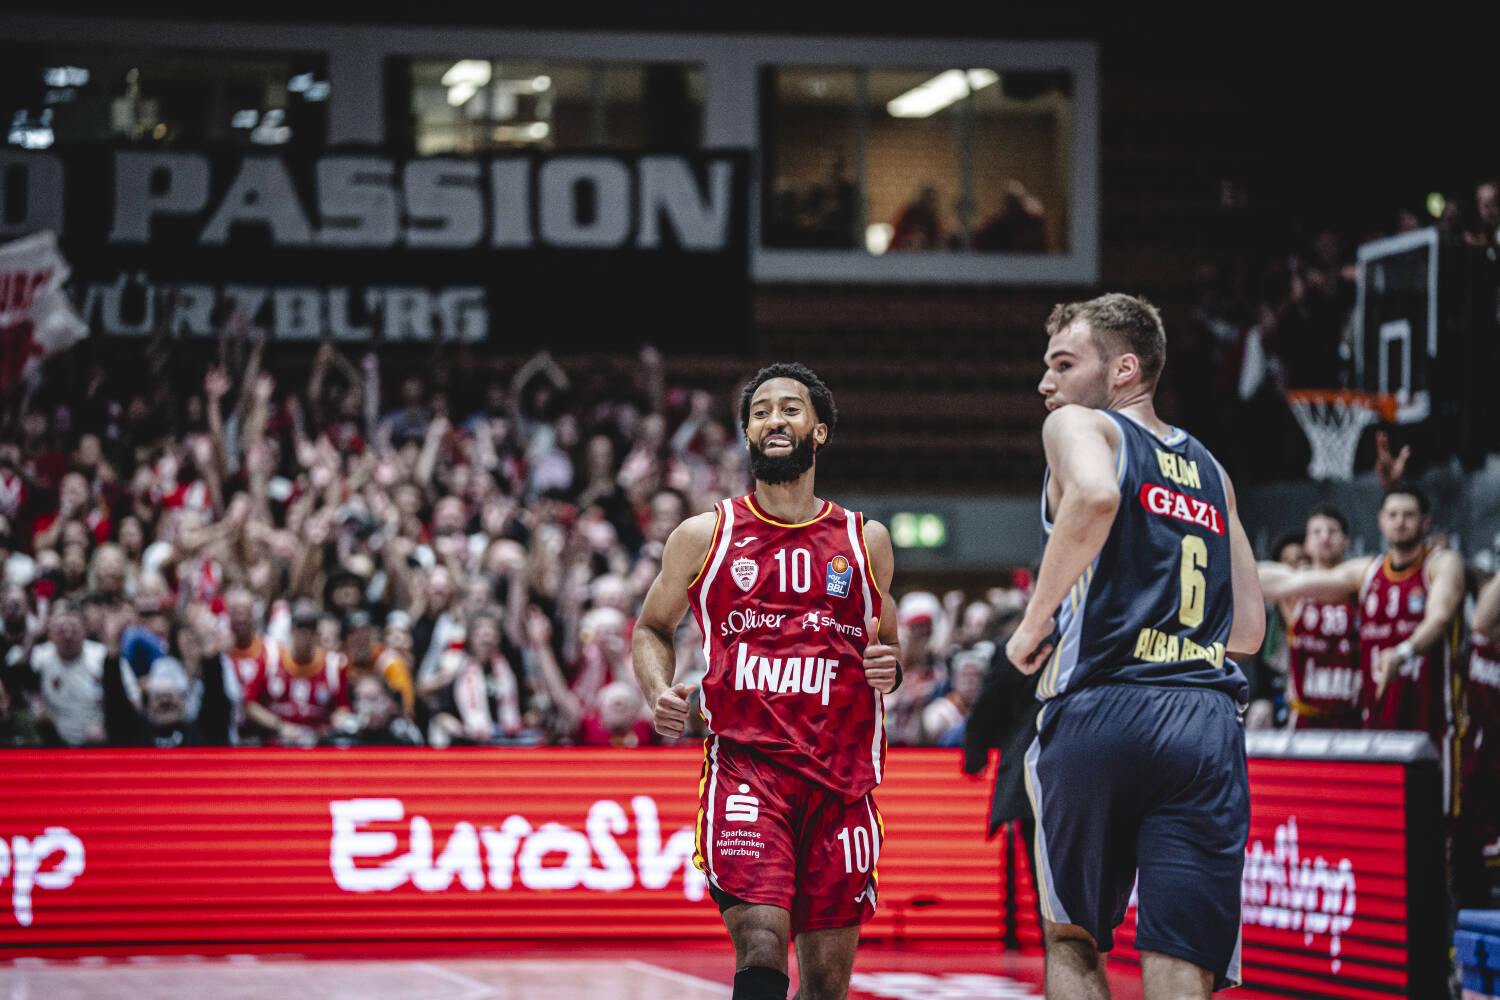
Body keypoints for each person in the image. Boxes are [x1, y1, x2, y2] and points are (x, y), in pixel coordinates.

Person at [1004, 294, 1265, 999]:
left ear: (1123, 370)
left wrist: (1034, 622)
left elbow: (1094, 496)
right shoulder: (1212, 470)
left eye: (1064, 364)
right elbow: (1249, 630)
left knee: (1074, 938)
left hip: (1102, 706)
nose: (1046, 383)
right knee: (1181, 953)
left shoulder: (1078, 425)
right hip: (1204, 721)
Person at [632, 362, 900, 1000]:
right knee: (760, 940)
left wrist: (890, 664)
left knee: (826, 986)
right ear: (748, 434)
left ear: (820, 430)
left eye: (789, 409)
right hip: (749, 771)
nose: (774, 420)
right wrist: (658, 690)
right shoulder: (704, 535)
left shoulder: (865, 540)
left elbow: (886, 644)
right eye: (760, 413)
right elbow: (651, 628)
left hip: (841, 782)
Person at [1258, 481, 1466, 809]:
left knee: (1435, 824)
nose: (1400, 522)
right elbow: (1292, 581)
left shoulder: (1441, 563)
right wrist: (1226, 561)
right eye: (1393, 515)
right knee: (1377, 819)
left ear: (1425, 521)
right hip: (1377, 727)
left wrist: (1403, 653)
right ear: (1381, 521)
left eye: (1409, 515)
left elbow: (1439, 617)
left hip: (1431, 723)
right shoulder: (1365, 573)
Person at [1262, 507, 1361, 729]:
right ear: (1306, 544)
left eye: (1332, 531)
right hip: (1307, 716)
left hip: (1354, 714)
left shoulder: (1360, 583)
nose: (1324, 537)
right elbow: (1253, 575)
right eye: (1317, 532)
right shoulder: (1292, 585)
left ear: (1346, 542)